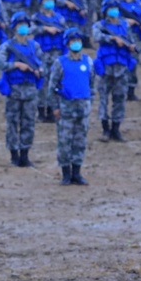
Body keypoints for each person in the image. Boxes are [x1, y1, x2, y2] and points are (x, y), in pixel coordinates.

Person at [0, 11, 44, 167]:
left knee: (29, 122)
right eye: (19, 25)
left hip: (30, 89)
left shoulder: (34, 46)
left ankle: (25, 154)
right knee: (12, 122)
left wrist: (40, 71)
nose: (22, 28)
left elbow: (42, 64)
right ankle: (14, 155)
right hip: (15, 89)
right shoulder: (7, 46)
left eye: (25, 25)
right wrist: (16, 65)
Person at [48, 26, 93, 184]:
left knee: (80, 141)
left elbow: (91, 83)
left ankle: (77, 172)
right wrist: (55, 107)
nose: (76, 43)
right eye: (73, 41)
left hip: (83, 108)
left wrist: (89, 102)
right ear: (67, 44)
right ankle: (66, 173)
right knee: (65, 141)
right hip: (66, 108)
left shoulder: (88, 61)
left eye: (78, 41)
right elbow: (52, 86)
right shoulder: (60, 63)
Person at [92, 0, 135, 141]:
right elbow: (96, 36)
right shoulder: (100, 25)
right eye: (110, 8)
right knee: (103, 98)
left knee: (120, 98)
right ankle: (105, 129)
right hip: (106, 67)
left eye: (115, 8)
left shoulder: (124, 26)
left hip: (121, 66)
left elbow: (131, 41)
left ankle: (116, 128)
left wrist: (130, 46)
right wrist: (112, 39)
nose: (113, 11)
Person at [32, 0, 67, 123]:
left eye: (51, 0)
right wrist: (45, 28)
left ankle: (53, 110)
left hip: (56, 53)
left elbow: (66, 35)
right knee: (42, 82)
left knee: (56, 82)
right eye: (46, 0)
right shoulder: (37, 17)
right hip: (42, 54)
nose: (49, 2)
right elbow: (30, 29)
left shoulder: (59, 18)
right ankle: (41, 110)